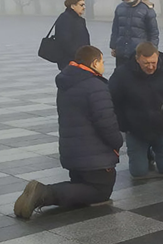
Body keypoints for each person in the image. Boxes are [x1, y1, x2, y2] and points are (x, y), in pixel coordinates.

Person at [13, 46, 122, 218]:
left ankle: (41, 193)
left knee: (81, 186)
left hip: (73, 153)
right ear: (94, 63)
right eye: (102, 61)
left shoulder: (67, 82)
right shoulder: (95, 85)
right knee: (100, 191)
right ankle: (43, 193)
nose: (103, 65)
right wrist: (118, 142)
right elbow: (106, 122)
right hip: (94, 157)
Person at [109, 42, 163, 180]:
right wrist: (124, 125)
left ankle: (151, 153)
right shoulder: (122, 74)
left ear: (158, 57)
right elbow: (113, 100)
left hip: (161, 128)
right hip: (136, 129)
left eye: (153, 63)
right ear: (137, 59)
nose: (150, 67)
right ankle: (145, 155)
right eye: (146, 63)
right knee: (138, 173)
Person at [110, 0, 159, 68]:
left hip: (138, 53)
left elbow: (153, 32)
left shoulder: (146, 10)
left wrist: (152, 50)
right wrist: (113, 46)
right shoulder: (120, 8)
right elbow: (115, 29)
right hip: (121, 51)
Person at [53, 0, 90, 70]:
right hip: (70, 62)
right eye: (81, 5)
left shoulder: (80, 20)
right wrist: (80, 56)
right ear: (73, 6)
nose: (84, 7)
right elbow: (65, 42)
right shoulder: (64, 19)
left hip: (82, 61)